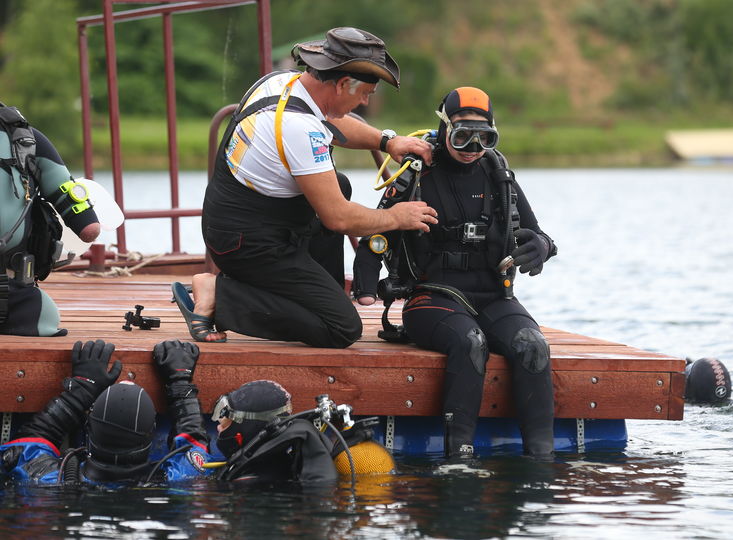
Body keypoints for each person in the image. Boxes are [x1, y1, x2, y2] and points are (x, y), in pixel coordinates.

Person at [175, 26, 438, 347]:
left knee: (337, 183)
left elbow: (333, 118)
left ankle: (316, 292)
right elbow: (338, 218)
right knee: (341, 328)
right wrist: (398, 217)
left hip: (232, 223)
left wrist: (387, 141)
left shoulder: (281, 83)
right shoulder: (300, 130)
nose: (366, 101)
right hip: (247, 246)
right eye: (365, 92)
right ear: (342, 83)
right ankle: (219, 294)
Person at [352, 87, 558, 459]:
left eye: (484, 137)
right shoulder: (416, 174)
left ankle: (542, 459)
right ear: (444, 128)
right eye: (463, 135)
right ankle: (458, 457)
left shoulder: (498, 175)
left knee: (533, 346)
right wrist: (365, 287)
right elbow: (376, 235)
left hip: (494, 297)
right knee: (470, 343)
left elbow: (538, 232)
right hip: (431, 297)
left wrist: (541, 247)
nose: (472, 146)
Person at [0, 339, 215, 485]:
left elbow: (25, 444)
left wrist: (79, 393)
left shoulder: (46, 479)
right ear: (152, 433)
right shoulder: (180, 476)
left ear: (88, 429)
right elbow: (194, 442)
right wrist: (179, 380)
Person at [1, 103, 100, 337]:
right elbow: (89, 228)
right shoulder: (26, 140)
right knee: (46, 319)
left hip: (15, 299)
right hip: (19, 305)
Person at [210, 380, 395, 483]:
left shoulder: (246, 481)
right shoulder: (292, 461)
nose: (218, 427)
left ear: (246, 430)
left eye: (225, 422)